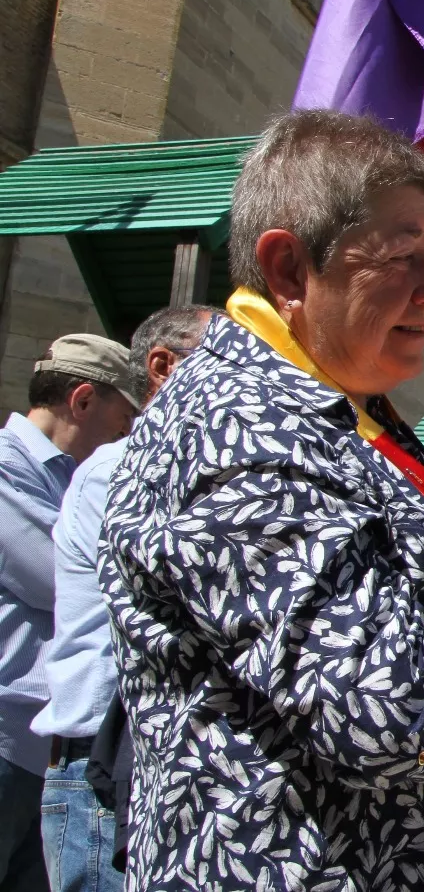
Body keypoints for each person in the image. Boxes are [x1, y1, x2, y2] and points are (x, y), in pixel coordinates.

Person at [98, 111, 424, 890]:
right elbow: (380, 714)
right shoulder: (242, 428)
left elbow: (394, 588)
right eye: (404, 254)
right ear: (289, 270)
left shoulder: (336, 405)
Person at [32, 306, 218, 891]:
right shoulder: (124, 469)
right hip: (101, 774)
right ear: (162, 368)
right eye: (224, 363)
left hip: (137, 767)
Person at [0, 332, 138, 889]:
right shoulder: (8, 471)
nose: (128, 435)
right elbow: (67, 581)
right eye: (124, 419)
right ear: (81, 401)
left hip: (41, 749)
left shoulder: (69, 479)